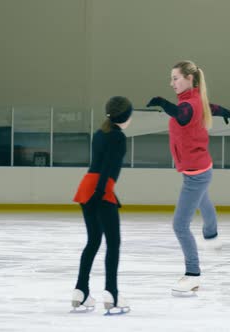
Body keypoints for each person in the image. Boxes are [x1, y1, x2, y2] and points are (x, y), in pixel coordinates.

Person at [146, 60, 230, 295]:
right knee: (203, 200)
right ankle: (211, 233)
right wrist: (224, 111)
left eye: (176, 78)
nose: (172, 83)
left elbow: (181, 113)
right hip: (200, 169)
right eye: (171, 79)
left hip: (196, 174)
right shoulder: (195, 99)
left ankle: (193, 275)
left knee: (179, 225)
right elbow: (209, 107)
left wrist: (161, 103)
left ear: (190, 79)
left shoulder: (187, 105)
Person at [71, 96, 133, 314]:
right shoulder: (118, 137)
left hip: (86, 186)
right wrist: (100, 192)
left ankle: (80, 290)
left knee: (94, 241)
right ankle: (112, 293)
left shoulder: (100, 133)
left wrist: (96, 191)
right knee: (113, 243)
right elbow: (108, 166)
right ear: (126, 116)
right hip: (100, 187)